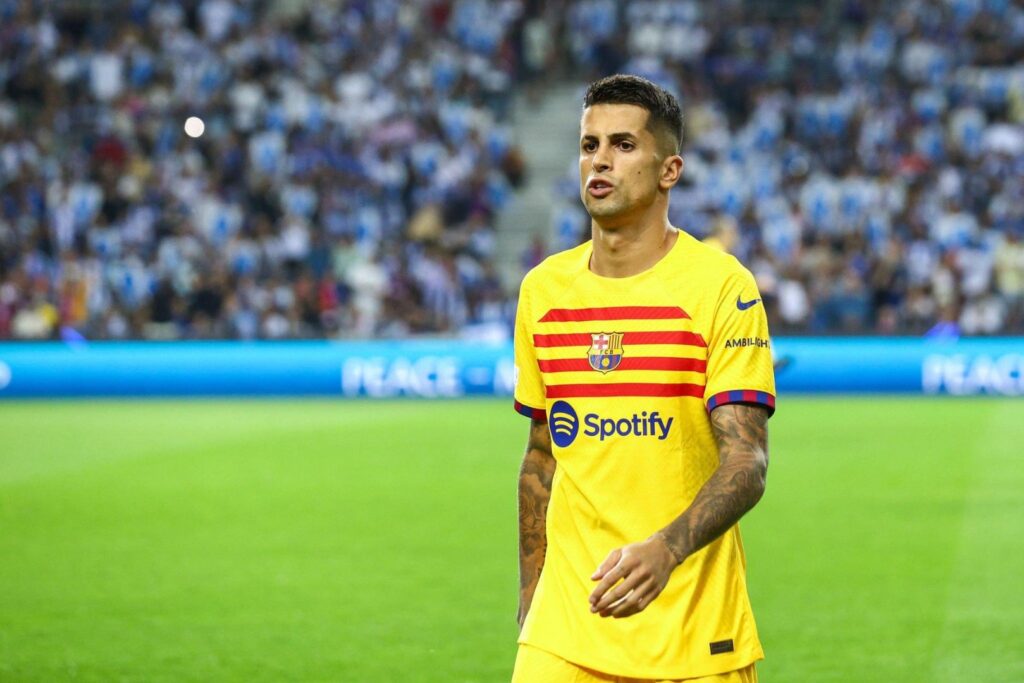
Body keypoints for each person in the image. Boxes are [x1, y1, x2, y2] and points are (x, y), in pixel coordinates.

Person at [512, 75, 775, 683]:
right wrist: (532, 598)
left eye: (624, 145)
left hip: (690, 630)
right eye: (589, 145)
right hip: (565, 634)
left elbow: (746, 462)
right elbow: (541, 459)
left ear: (669, 170)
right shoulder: (543, 291)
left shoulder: (722, 288)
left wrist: (666, 550)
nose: (599, 160)